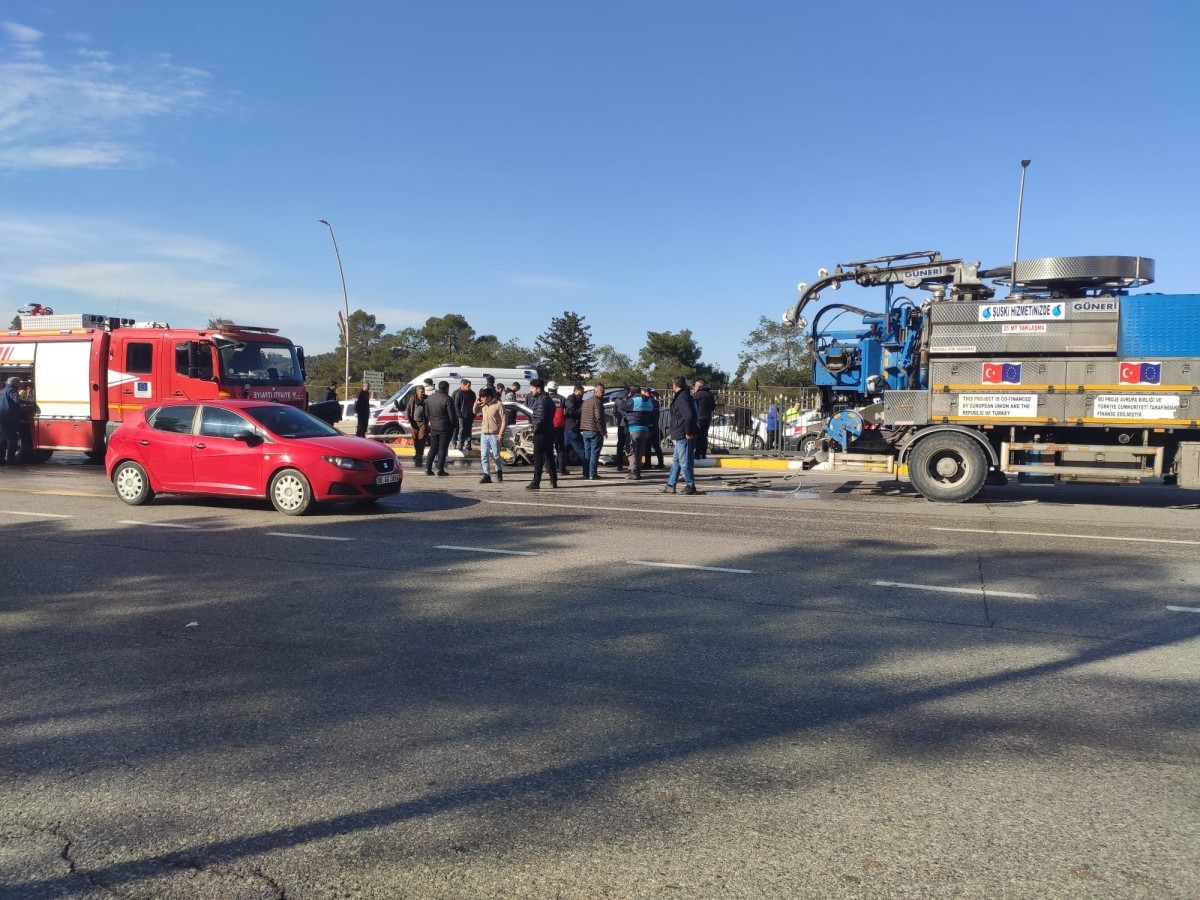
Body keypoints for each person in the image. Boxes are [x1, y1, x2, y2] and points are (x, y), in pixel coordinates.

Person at [661, 376, 699, 495]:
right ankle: (671, 485)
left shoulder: (682, 398)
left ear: (675, 385)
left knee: (684, 462)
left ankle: (690, 486)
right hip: (680, 433)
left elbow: (688, 416)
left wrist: (688, 432)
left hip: (683, 434)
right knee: (676, 461)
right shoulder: (684, 396)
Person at [524, 378, 558, 490]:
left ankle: (536, 481)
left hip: (541, 433)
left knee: (538, 458)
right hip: (549, 431)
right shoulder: (548, 399)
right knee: (549, 456)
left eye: (532, 388)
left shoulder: (541, 401)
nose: (531, 390)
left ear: (538, 389)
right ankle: (553, 480)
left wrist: (535, 429)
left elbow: (540, 418)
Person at [473, 388, 507, 484]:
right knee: (484, 455)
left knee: (496, 455)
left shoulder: (498, 405)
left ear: (488, 397)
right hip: (484, 434)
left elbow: (504, 419)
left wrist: (501, 433)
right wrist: (476, 403)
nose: (481, 399)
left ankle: (498, 470)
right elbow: (475, 411)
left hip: (495, 434)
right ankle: (487, 475)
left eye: (483, 397)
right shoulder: (483, 405)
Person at [424, 380, 455, 476]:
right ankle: (440, 469)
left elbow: (426, 413)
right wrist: (454, 425)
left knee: (433, 448)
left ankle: (428, 469)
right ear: (447, 388)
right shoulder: (447, 399)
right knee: (442, 449)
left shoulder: (430, 398)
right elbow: (452, 416)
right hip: (445, 427)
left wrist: (432, 420)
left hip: (434, 426)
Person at [624, 385, 656, 480]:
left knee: (631, 450)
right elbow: (653, 416)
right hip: (645, 430)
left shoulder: (633, 401)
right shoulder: (649, 402)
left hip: (634, 429)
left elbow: (622, 406)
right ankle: (639, 469)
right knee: (641, 451)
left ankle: (633, 471)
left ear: (632, 392)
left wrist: (626, 397)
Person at [579, 384, 606, 480]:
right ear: (596, 391)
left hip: (585, 430)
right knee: (595, 452)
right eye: (602, 392)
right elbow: (599, 418)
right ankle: (593, 473)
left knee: (587, 453)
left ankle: (585, 473)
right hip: (594, 430)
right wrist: (603, 431)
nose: (603, 394)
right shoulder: (597, 402)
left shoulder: (586, 402)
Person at [561, 384, 586, 477]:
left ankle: (552, 466)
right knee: (581, 449)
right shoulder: (571, 400)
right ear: (576, 391)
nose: (582, 394)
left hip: (569, 428)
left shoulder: (576, 400)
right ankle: (587, 468)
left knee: (563, 449)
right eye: (581, 392)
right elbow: (571, 412)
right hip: (572, 428)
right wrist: (581, 409)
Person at [0, 376, 23, 465]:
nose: (20, 385)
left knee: (2, 438)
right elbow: (17, 400)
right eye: (19, 383)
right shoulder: (12, 391)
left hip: (1, 417)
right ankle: (11, 459)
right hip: (9, 418)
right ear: (15, 384)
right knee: (12, 438)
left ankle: (1, 459)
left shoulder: (2, 391)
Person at [546, 381, 567, 474]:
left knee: (548, 449)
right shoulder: (562, 398)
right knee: (560, 449)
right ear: (556, 389)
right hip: (559, 427)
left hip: (548, 427)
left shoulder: (545, 398)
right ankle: (562, 469)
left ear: (548, 389)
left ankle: (549, 469)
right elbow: (567, 411)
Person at [406, 384, 429, 468]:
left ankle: (420, 454)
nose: (422, 393)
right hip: (414, 422)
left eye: (423, 391)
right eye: (421, 391)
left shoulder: (427, 399)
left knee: (421, 439)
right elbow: (408, 409)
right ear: (417, 392)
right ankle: (417, 453)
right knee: (415, 439)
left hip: (423, 422)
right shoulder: (413, 398)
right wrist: (408, 418)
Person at [451, 379, 477, 452]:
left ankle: (468, 444)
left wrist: (474, 413)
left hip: (470, 415)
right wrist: (459, 414)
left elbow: (475, 404)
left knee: (469, 430)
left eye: (470, 386)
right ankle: (460, 444)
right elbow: (456, 405)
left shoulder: (472, 394)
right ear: (463, 385)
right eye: (468, 386)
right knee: (461, 430)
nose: (469, 387)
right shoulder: (458, 393)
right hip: (461, 415)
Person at [694, 379, 716, 460]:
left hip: (699, 417)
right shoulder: (710, 395)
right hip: (707, 418)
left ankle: (697, 453)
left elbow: (694, 406)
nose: (694, 387)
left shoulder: (697, 395)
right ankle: (703, 453)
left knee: (698, 436)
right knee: (704, 436)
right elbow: (713, 406)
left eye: (695, 386)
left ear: (698, 386)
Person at [613, 385, 632, 470]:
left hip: (620, 424)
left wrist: (619, 419)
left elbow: (614, 412)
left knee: (620, 445)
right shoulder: (630, 399)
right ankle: (631, 464)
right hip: (628, 424)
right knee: (630, 444)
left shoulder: (617, 400)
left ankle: (619, 464)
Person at [646, 388, 665, 470]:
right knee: (656, 446)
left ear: (647, 393)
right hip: (655, 426)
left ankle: (647, 463)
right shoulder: (656, 402)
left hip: (649, 426)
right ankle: (661, 462)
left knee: (647, 447)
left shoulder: (648, 402)